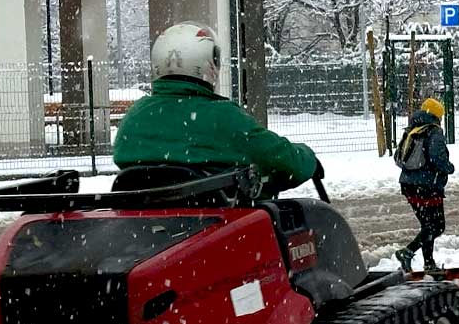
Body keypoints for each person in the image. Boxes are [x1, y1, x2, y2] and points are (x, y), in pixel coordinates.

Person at [113, 22, 319, 198]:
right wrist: (306, 157)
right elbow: (281, 159)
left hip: (144, 232)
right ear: (209, 64)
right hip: (211, 228)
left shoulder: (136, 116)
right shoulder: (222, 117)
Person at [394, 98, 454, 271]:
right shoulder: (434, 132)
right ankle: (408, 251)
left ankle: (429, 263)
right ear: (437, 116)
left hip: (409, 186)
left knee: (428, 226)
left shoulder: (412, 130)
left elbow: (399, 158)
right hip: (428, 187)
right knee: (438, 226)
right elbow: (438, 159)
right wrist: (449, 168)